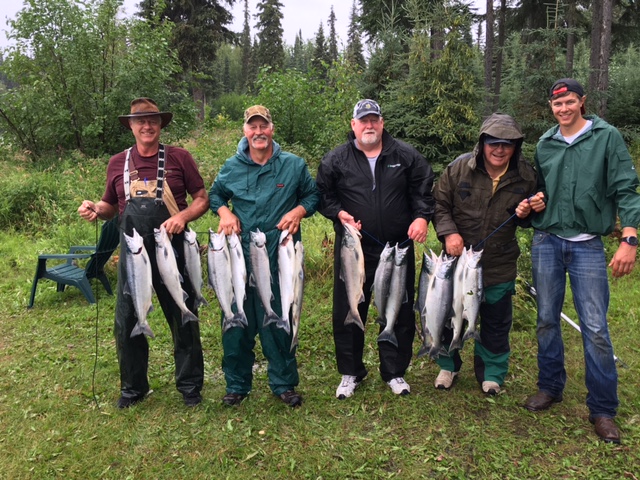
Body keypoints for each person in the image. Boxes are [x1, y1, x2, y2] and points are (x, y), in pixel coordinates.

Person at [524, 78, 640, 444]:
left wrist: (630, 238)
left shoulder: (607, 138)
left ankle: (603, 409)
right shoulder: (545, 143)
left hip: (588, 244)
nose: (564, 109)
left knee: (595, 327)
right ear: (551, 107)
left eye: (570, 102)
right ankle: (550, 386)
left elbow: (626, 188)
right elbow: (539, 190)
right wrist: (535, 202)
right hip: (546, 241)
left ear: (582, 102)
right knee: (546, 319)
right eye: (557, 105)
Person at [78, 98, 209, 408]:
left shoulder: (179, 158)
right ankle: (134, 388)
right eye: (140, 121)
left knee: (183, 316)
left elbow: (202, 199)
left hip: (173, 250)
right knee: (127, 320)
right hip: (134, 254)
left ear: (160, 125)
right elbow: (111, 207)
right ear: (131, 126)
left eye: (152, 120)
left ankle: (190, 387)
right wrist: (97, 209)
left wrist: (182, 217)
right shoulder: (116, 163)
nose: (147, 125)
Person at [316, 99, 434, 399]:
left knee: (399, 308)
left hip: (396, 249)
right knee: (348, 309)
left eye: (374, 120)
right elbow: (323, 195)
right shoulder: (336, 159)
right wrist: (338, 213)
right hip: (353, 249)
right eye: (363, 121)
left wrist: (421, 217)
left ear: (382, 123)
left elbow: (423, 190)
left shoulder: (405, 155)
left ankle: (394, 372)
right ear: (353, 125)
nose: (369, 126)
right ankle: (350, 372)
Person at [209, 105, 319, 408]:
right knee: (235, 320)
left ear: (272, 128)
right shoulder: (231, 166)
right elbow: (215, 195)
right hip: (239, 254)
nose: (258, 132)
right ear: (245, 131)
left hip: (279, 252)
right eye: (252, 127)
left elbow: (312, 196)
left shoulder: (293, 165)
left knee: (279, 318)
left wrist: (298, 211)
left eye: (264, 126)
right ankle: (237, 385)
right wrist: (224, 212)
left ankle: (284, 383)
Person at [432, 113, 543, 395]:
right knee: (446, 315)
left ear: (515, 147)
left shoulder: (526, 176)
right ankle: (448, 365)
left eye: (507, 144)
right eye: (493, 143)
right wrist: (448, 233)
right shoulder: (458, 169)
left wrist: (527, 213)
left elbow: (531, 220)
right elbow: (439, 204)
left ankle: (491, 372)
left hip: (499, 264)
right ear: (482, 144)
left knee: (496, 323)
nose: (500, 149)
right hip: (456, 263)